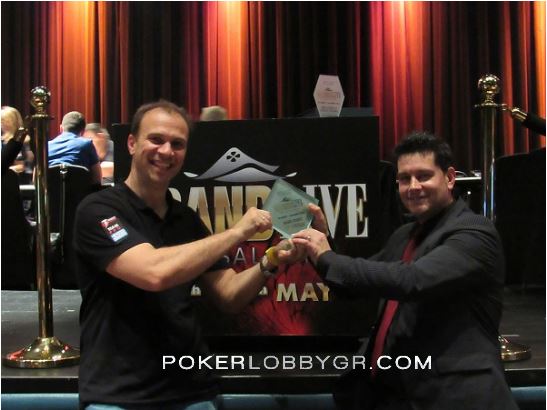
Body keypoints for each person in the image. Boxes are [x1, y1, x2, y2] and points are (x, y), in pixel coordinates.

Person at [73, 100, 297, 409]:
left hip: (193, 392)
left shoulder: (186, 219)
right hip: (119, 394)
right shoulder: (99, 210)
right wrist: (237, 232)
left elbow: (228, 295)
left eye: (177, 144)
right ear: (132, 143)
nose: (166, 151)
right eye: (156, 139)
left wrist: (271, 260)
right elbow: (154, 273)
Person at [292, 132, 518, 410]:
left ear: (449, 178)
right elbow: (354, 286)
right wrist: (322, 242)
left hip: (458, 397)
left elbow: (412, 280)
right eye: (404, 179)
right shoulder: (405, 235)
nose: (413, 186)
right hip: (400, 395)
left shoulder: (474, 232)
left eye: (423, 176)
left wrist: (326, 256)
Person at [48, 111, 101, 185]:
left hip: (51, 192)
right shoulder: (87, 144)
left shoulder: (46, 146)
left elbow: (36, 178)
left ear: (61, 128)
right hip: (81, 192)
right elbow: (97, 179)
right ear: (83, 131)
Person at [1, 105, 34, 183]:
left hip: (19, 182)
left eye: (4, 121)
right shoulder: (2, 140)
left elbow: (21, 166)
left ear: (12, 122)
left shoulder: (23, 141)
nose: (1, 124)